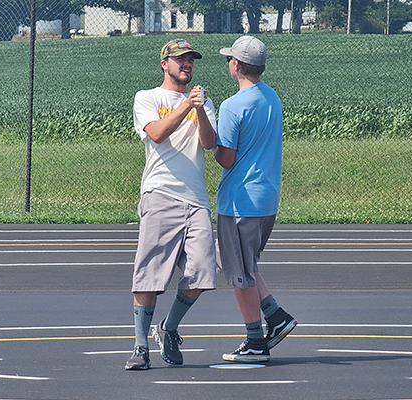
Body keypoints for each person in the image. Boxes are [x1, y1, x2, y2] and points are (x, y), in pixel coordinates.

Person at [125, 39, 218, 371]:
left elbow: (208, 143)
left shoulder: (202, 102)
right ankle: (139, 347)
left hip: (196, 199)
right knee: (149, 274)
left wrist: (200, 109)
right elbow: (158, 134)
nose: (187, 64)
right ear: (165, 63)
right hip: (160, 193)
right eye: (180, 59)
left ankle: (169, 327)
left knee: (204, 273)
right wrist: (185, 107)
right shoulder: (148, 98)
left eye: (191, 59)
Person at [214, 36, 297, 363]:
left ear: (236, 65)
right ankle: (275, 317)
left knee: (239, 273)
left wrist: (210, 139)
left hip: (239, 199)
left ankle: (255, 340)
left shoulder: (233, 106)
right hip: (266, 198)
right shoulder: (271, 97)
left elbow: (227, 158)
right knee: (245, 265)